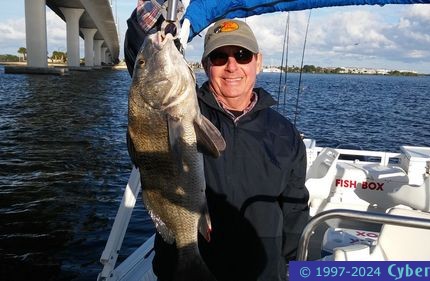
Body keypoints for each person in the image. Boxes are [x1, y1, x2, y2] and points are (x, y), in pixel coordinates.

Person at [125, 7, 310, 281]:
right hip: (185, 268)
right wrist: (150, 19)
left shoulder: (286, 133)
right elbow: (140, 54)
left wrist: (297, 269)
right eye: (219, 57)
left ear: (258, 62)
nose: (231, 66)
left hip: (261, 273)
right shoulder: (184, 110)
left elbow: (295, 209)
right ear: (205, 65)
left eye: (242, 55)